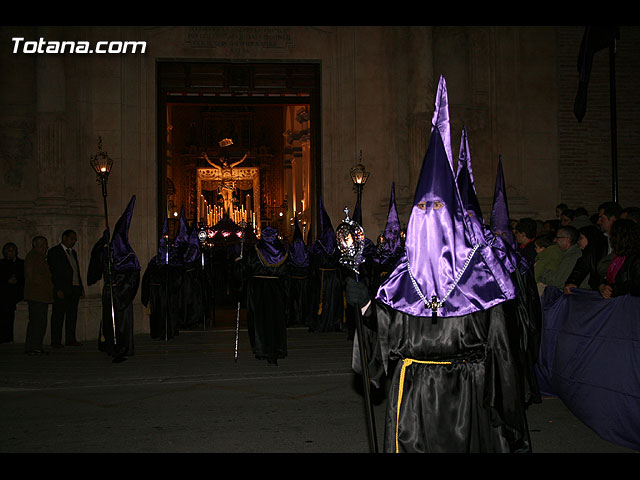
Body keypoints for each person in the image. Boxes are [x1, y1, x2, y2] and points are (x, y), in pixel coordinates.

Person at [347, 76, 530, 453]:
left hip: (469, 396)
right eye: (422, 210)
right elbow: (382, 339)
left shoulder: (482, 284)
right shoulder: (400, 281)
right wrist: (365, 305)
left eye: (438, 210)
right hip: (411, 399)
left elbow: (504, 357)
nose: (429, 219)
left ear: (455, 224)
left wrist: (508, 419)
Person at [87, 195, 141, 362]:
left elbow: (133, 278)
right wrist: (101, 242)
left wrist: (122, 292)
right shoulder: (107, 253)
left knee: (121, 323)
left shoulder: (129, 257)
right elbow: (95, 260)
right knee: (108, 321)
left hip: (121, 295)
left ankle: (121, 349)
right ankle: (110, 345)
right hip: (109, 292)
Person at [237, 225, 289, 365]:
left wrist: (241, 264)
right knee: (276, 319)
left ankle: (262, 350)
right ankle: (276, 350)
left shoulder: (254, 252)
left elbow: (246, 271)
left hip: (258, 289)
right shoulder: (282, 251)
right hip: (276, 289)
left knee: (259, 320)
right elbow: (285, 272)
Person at [141, 218, 183, 340]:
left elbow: (178, 278)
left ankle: (169, 331)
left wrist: (171, 283)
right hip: (156, 294)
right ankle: (157, 332)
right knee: (157, 313)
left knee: (168, 312)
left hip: (168, 293)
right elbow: (147, 278)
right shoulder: (154, 262)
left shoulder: (174, 260)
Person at [309, 199, 344, 332]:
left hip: (323, 278)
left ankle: (325, 322)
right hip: (332, 277)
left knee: (325, 300)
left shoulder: (319, 246)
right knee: (330, 300)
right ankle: (332, 322)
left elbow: (313, 261)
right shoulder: (336, 247)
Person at [48, 229, 84, 347]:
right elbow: (53, 272)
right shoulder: (55, 252)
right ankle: (56, 341)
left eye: (75, 239)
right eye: (72, 238)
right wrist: (57, 289)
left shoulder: (73, 253)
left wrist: (80, 287)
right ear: (64, 238)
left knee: (72, 314)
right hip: (62, 289)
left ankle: (70, 338)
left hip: (74, 288)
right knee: (58, 315)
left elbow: (76, 271)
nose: (74, 241)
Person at [23, 236, 54, 355]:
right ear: (38, 245)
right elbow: (32, 276)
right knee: (38, 322)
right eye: (45, 245)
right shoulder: (33, 257)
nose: (46, 247)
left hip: (40, 295)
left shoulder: (38, 257)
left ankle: (33, 346)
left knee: (37, 322)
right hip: (37, 295)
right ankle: (34, 346)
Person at [598, 218, 640, 298]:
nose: (610, 238)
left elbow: (635, 288)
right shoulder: (619, 256)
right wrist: (602, 286)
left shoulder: (636, 259)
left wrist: (613, 289)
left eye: (613, 235)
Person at [202, 149, 249, 218]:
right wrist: (206, 157)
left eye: (225, 160)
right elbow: (212, 163)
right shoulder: (221, 168)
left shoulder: (231, 166)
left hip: (229, 185)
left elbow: (239, 161)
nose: (224, 162)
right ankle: (226, 213)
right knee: (225, 200)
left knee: (230, 199)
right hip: (224, 185)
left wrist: (245, 156)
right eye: (223, 161)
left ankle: (229, 213)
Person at [563, 224, 609, 292]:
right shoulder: (588, 253)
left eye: (581, 238)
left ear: (590, 238)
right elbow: (580, 269)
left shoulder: (597, 250)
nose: (578, 242)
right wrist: (571, 283)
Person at [287, 216, 314, 328]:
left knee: (296, 301)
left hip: (295, 281)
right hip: (304, 281)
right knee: (303, 300)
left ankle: (297, 317)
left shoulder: (291, 254)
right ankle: (303, 317)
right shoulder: (306, 254)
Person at [537, 225, 582, 292]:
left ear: (567, 240)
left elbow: (557, 282)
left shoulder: (572, 256)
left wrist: (541, 271)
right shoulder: (565, 253)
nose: (555, 240)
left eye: (558, 237)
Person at [0, 242, 24, 344]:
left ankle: (9, 338)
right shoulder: (1, 264)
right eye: (9, 251)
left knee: (10, 317)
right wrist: (7, 280)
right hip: (4, 294)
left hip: (16, 294)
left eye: (13, 250)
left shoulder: (21, 263)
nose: (11, 253)